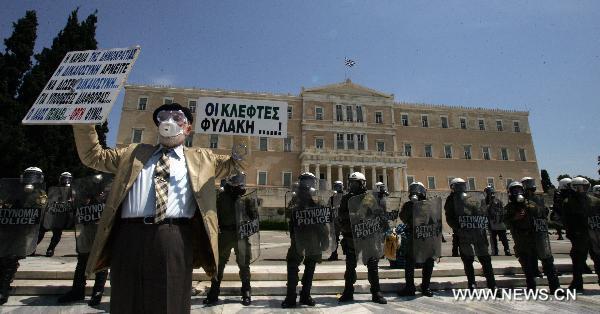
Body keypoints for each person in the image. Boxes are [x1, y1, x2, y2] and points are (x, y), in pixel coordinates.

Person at [72, 103, 245, 313]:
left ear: (188, 128)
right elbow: (93, 155)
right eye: (163, 117)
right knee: (125, 300)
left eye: (177, 117)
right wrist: (83, 116)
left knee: (168, 301)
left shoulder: (204, 158)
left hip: (173, 236)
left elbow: (237, 164)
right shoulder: (132, 153)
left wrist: (243, 131)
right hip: (128, 236)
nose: (169, 121)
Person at [57, 173, 111, 306]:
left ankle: (97, 292)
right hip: (87, 228)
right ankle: (77, 290)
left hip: (102, 228)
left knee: (101, 261)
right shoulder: (86, 186)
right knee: (82, 260)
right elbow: (78, 203)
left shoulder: (110, 187)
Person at [204, 172, 256, 306]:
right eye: (236, 180)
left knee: (244, 265)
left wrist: (251, 216)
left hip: (241, 236)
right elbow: (214, 217)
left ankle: (246, 292)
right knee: (219, 265)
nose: (239, 183)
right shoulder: (221, 197)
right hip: (225, 235)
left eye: (240, 180)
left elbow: (253, 217)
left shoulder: (246, 198)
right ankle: (214, 293)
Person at [281, 172, 332, 308]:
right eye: (305, 181)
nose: (307, 184)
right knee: (292, 266)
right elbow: (289, 214)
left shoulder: (317, 200)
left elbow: (322, 220)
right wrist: (299, 202)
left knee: (310, 267)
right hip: (298, 237)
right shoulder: (294, 199)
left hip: (313, 238)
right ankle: (290, 296)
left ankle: (305, 295)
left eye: (309, 181)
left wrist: (325, 238)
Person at [338, 172, 387, 304]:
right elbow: (341, 215)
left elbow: (378, 214)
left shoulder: (370, 198)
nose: (352, 185)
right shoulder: (346, 198)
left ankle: (376, 292)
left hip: (367, 236)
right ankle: (348, 292)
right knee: (350, 267)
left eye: (355, 183)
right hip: (351, 237)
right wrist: (352, 217)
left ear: (362, 184)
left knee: (372, 265)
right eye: (351, 183)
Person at [0, 167, 47, 305]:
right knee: (3, 257)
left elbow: (40, 210)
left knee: (11, 258)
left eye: (34, 176)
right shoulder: (14, 190)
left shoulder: (41, 194)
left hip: (23, 230)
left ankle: (4, 288)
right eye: (29, 176)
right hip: (8, 227)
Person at [504, 181, 562, 293]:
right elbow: (504, 221)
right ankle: (531, 286)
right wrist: (515, 217)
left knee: (548, 261)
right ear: (510, 193)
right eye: (515, 191)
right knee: (527, 264)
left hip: (537, 237)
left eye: (519, 190)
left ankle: (555, 287)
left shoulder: (531, 203)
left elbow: (543, 213)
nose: (518, 192)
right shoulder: (509, 208)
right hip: (522, 239)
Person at [445, 178, 496, 291]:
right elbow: (449, 217)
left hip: (478, 232)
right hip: (464, 234)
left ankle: (492, 285)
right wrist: (458, 228)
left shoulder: (472, 198)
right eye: (458, 186)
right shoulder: (451, 200)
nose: (460, 188)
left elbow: (481, 210)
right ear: (453, 188)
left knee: (485, 259)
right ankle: (472, 283)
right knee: (468, 260)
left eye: (462, 185)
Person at [397, 182, 440, 297]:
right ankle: (409, 287)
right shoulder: (408, 205)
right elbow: (403, 218)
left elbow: (435, 220)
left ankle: (425, 286)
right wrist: (412, 205)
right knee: (409, 262)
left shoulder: (429, 204)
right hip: (413, 236)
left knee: (428, 262)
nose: (415, 192)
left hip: (427, 236)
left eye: (417, 189)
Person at [562, 177, 600, 292]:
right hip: (579, 235)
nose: (582, 189)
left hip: (594, 234)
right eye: (579, 187)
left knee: (598, 258)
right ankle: (577, 283)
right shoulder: (568, 202)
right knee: (578, 261)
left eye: (584, 187)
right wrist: (571, 234)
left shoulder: (595, 201)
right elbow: (566, 220)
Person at [37, 172, 73, 257]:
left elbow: (74, 201)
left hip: (61, 214)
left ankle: (50, 249)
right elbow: (48, 198)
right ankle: (33, 248)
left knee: (57, 233)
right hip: (51, 212)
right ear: (60, 179)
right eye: (64, 178)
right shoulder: (54, 189)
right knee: (42, 230)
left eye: (67, 179)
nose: (65, 181)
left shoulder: (71, 190)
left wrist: (71, 201)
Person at [485, 186, 511, 256]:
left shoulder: (497, 201)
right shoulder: (485, 201)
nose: (491, 194)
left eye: (492, 193)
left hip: (498, 222)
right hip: (491, 222)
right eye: (490, 193)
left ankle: (507, 250)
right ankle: (495, 251)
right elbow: (484, 210)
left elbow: (502, 210)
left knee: (503, 238)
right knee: (493, 239)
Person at [327, 181, 344, 261]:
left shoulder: (346, 197)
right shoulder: (332, 198)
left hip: (344, 221)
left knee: (347, 238)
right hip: (335, 220)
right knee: (334, 238)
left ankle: (350, 254)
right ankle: (334, 254)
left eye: (339, 186)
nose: (338, 188)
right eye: (336, 186)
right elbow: (328, 209)